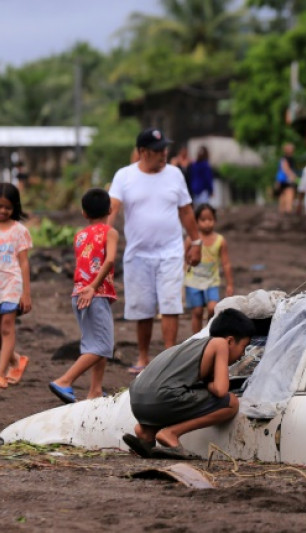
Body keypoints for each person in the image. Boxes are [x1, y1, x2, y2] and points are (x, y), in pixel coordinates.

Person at [108, 128, 202, 375]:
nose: (163, 154)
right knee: (143, 308)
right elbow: (113, 209)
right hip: (138, 254)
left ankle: (169, 355)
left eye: (164, 149)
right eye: (158, 150)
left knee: (171, 304)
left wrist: (197, 242)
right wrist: (101, 238)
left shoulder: (174, 174)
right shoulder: (124, 176)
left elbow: (186, 211)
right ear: (142, 152)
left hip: (170, 251)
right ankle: (143, 357)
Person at [122, 308, 255, 458]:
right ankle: (171, 434)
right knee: (231, 403)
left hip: (138, 401)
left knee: (180, 396)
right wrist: (209, 384)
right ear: (230, 340)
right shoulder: (220, 344)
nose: (243, 355)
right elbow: (221, 390)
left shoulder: (192, 346)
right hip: (161, 398)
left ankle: (146, 433)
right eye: (244, 347)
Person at [49, 188, 119, 403]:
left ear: (83, 213)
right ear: (109, 209)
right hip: (93, 293)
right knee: (103, 346)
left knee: (95, 343)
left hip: (79, 293)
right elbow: (109, 260)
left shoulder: (79, 236)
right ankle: (64, 381)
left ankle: (95, 390)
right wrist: (94, 287)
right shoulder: (110, 232)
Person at [0, 183, 33, 389]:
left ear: (15, 208)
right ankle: (16, 360)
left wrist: (26, 293)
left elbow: (24, 263)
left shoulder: (20, 230)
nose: (2, 211)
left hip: (12, 283)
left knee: (7, 327)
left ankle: (0, 374)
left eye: (7, 208)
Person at [184, 204, 234, 334]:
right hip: (193, 281)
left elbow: (226, 263)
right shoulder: (191, 240)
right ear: (196, 221)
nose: (207, 223)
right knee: (197, 311)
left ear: (215, 220)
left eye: (210, 219)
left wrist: (229, 284)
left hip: (212, 282)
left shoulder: (220, 241)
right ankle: (195, 339)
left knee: (213, 308)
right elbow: (183, 259)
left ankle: (208, 332)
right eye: (203, 220)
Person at [275, 143, 298, 214]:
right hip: (287, 179)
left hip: (281, 180)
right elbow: (285, 168)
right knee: (289, 193)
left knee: (283, 194)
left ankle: (282, 210)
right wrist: (292, 175)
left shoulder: (283, 158)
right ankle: (288, 209)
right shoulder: (287, 158)